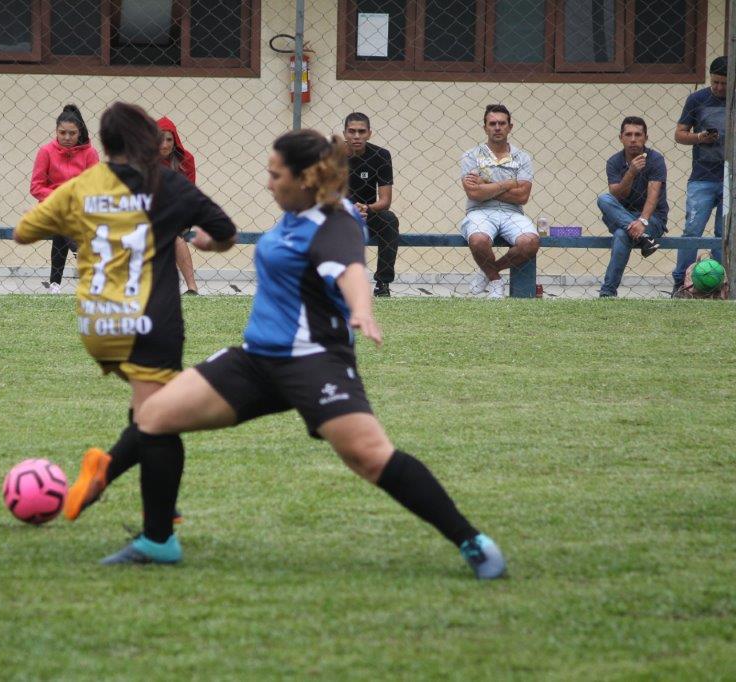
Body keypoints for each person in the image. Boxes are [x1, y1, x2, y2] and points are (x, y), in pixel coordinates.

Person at [73, 128, 506, 580]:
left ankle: (471, 540)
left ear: (305, 179)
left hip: (315, 361)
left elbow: (351, 270)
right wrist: (215, 242)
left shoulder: (336, 221)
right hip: (256, 360)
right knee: (154, 416)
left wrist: (361, 308)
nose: (268, 182)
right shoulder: (294, 213)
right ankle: (156, 538)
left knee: (370, 456)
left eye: (274, 174)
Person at [14, 102, 237, 521]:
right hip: (148, 322)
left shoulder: (84, 185)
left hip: (97, 325)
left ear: (101, 141)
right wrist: (207, 242)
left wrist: (85, 220)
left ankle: (155, 506)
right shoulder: (166, 185)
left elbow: (23, 231)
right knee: (160, 421)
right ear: (146, 142)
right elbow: (224, 232)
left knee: (150, 410)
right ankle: (122, 481)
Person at [460, 104, 539, 299]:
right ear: (485, 127)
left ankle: (489, 272)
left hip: (513, 213)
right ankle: (496, 281)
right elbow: (474, 194)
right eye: (492, 123)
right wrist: (509, 183)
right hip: (480, 211)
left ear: (510, 127)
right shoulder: (471, 156)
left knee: (530, 242)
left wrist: (486, 184)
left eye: (502, 123)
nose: (497, 127)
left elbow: (522, 197)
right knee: (478, 241)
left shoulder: (522, 158)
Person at [672, 56, 727, 295]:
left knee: (723, 233)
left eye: (724, 83)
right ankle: (682, 281)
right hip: (702, 176)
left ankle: (719, 281)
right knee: (692, 229)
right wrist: (699, 138)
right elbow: (679, 134)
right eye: (715, 82)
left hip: (730, 177)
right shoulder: (697, 99)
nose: (718, 88)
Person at [30, 105, 100, 293]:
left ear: (80, 132)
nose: (67, 137)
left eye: (72, 133)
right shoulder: (46, 152)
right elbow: (36, 187)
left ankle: (55, 284)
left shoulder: (90, 153)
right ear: (56, 131)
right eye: (62, 133)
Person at [595, 117, 668, 298]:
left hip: (652, 218)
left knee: (621, 234)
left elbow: (654, 195)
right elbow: (617, 195)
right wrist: (631, 172)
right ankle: (644, 239)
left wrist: (642, 221)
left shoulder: (656, 159)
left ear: (646, 137)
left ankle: (607, 292)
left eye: (638, 134)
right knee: (604, 198)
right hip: (622, 215)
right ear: (621, 137)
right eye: (628, 134)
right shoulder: (614, 161)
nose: (633, 139)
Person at [343, 112, 399, 297]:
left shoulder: (381, 155)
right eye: (352, 131)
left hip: (367, 213)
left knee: (389, 220)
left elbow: (385, 200)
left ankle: (383, 284)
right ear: (344, 134)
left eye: (361, 131)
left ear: (369, 133)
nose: (356, 136)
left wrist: (365, 209)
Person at [157, 117, 200, 295]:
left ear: (175, 141)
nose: (165, 144)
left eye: (169, 139)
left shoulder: (186, 159)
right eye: (160, 139)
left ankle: (192, 287)